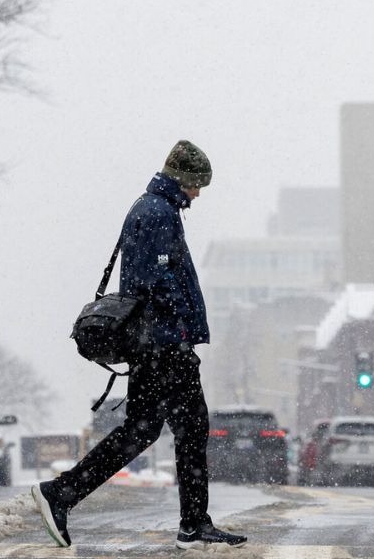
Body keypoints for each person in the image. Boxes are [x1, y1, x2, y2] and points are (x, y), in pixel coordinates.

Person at [31, 140, 247, 550]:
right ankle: (190, 523)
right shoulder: (157, 212)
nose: (198, 195)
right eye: (197, 185)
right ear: (182, 178)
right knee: (185, 428)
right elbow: (155, 279)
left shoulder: (152, 208)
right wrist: (180, 330)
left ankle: (65, 494)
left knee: (152, 430)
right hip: (164, 345)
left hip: (157, 343)